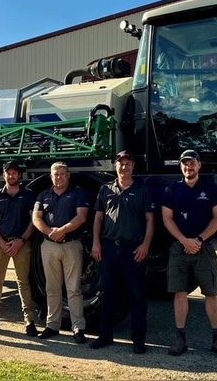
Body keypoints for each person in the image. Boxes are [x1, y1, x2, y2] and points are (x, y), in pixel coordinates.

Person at [161, 149, 217, 358]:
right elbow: (167, 219)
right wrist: (184, 241)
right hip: (179, 249)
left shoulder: (210, 189)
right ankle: (179, 340)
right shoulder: (172, 189)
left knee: (211, 293)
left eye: (192, 163)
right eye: (184, 163)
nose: (188, 167)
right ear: (181, 166)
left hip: (205, 249)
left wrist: (199, 240)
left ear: (199, 165)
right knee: (179, 293)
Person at [89, 150, 155, 354]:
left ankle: (138, 340)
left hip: (133, 249)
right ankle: (105, 335)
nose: (124, 166)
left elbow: (150, 220)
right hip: (109, 248)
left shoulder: (142, 190)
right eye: (120, 163)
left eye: (128, 163)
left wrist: (145, 245)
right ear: (115, 166)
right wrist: (96, 243)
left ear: (133, 166)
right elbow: (98, 218)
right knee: (108, 294)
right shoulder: (105, 189)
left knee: (136, 295)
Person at [0, 161, 38, 337]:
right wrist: (1, 242)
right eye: (8, 173)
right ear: (4, 175)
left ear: (19, 175)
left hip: (21, 244)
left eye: (14, 173)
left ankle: (29, 321)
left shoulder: (28, 195)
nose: (11, 176)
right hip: (0, 243)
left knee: (23, 282)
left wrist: (21, 240)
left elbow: (33, 221)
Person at [32, 161, 89, 344]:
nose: (59, 177)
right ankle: (52, 325)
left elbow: (82, 217)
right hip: (49, 246)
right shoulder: (43, 195)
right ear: (51, 176)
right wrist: (50, 233)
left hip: (71, 245)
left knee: (73, 289)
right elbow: (36, 218)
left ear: (68, 175)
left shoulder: (78, 193)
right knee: (52, 288)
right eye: (56, 174)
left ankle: (78, 328)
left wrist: (62, 230)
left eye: (62, 174)